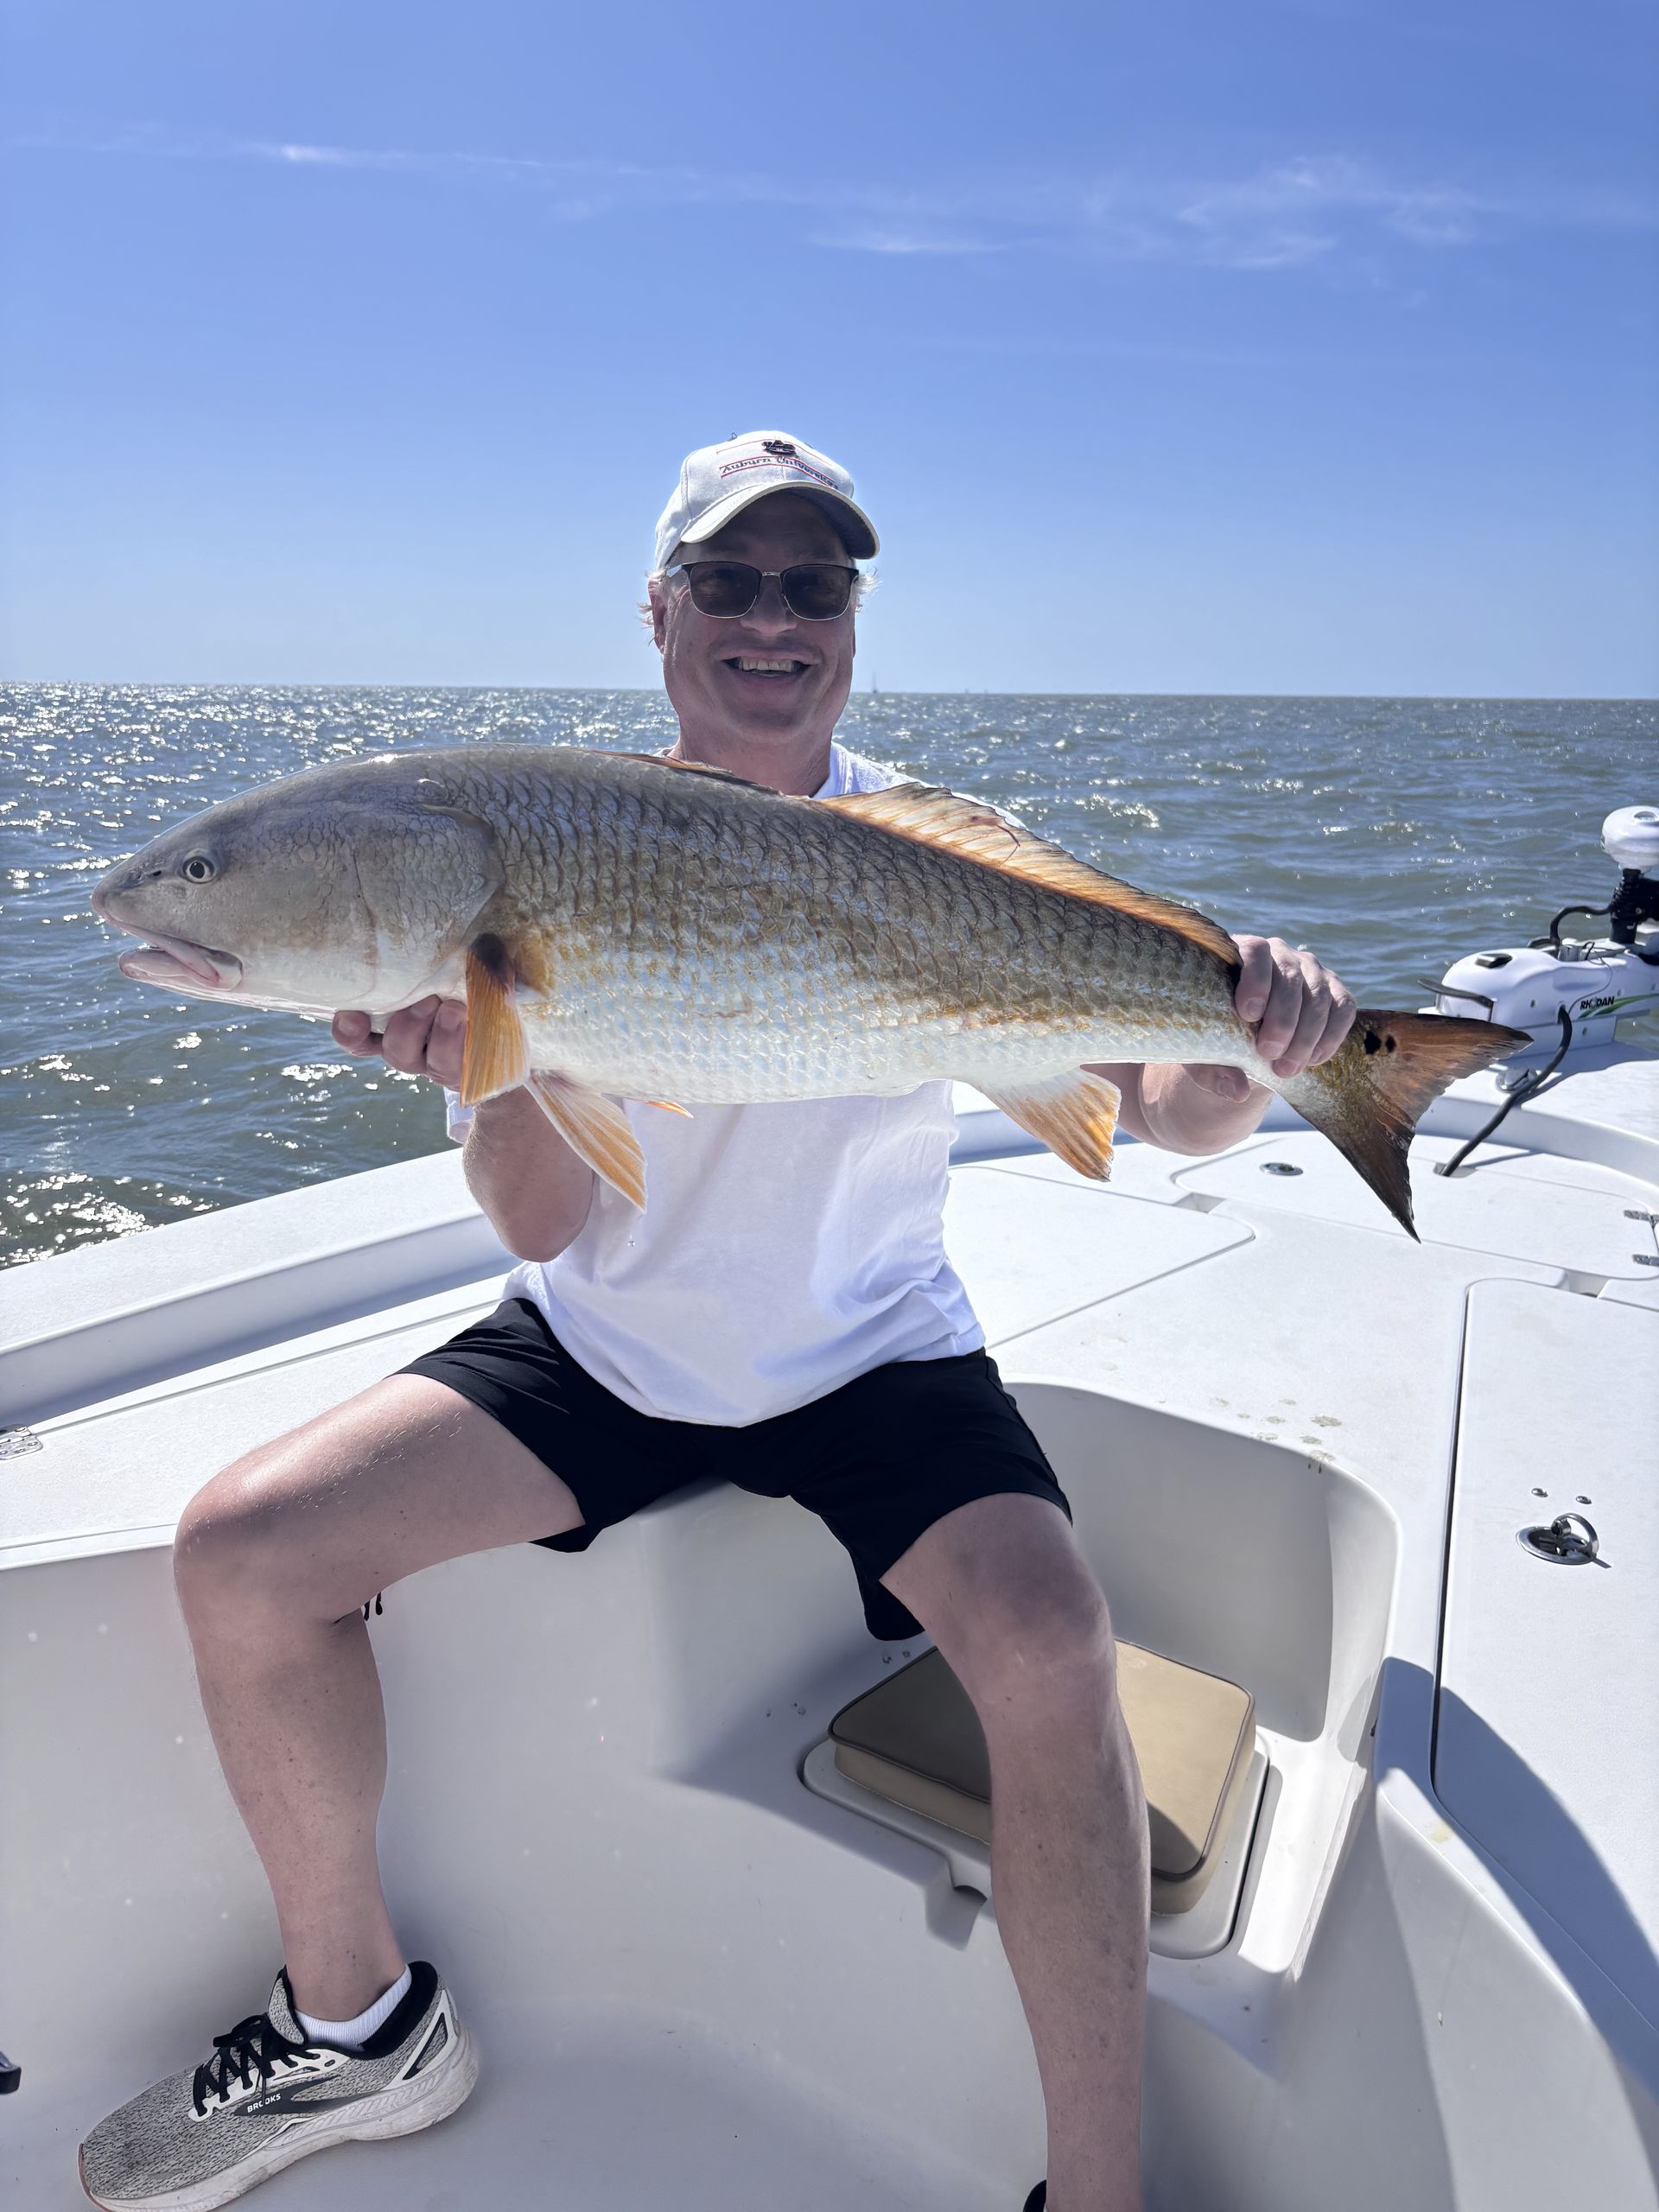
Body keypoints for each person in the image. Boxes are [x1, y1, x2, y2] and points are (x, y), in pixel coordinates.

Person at [79, 431, 1355, 2212]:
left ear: (851, 617)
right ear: (660, 610)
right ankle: (359, 2026)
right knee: (241, 1549)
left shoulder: (942, 844)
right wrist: (493, 1062)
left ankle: (1102, 2192)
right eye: (731, 581)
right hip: (609, 1353)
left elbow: (1164, 1095)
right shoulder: (526, 847)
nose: (772, 616)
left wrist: (1272, 1047)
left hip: (873, 1351)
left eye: (811, 583)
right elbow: (539, 1222)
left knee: (1054, 1644)